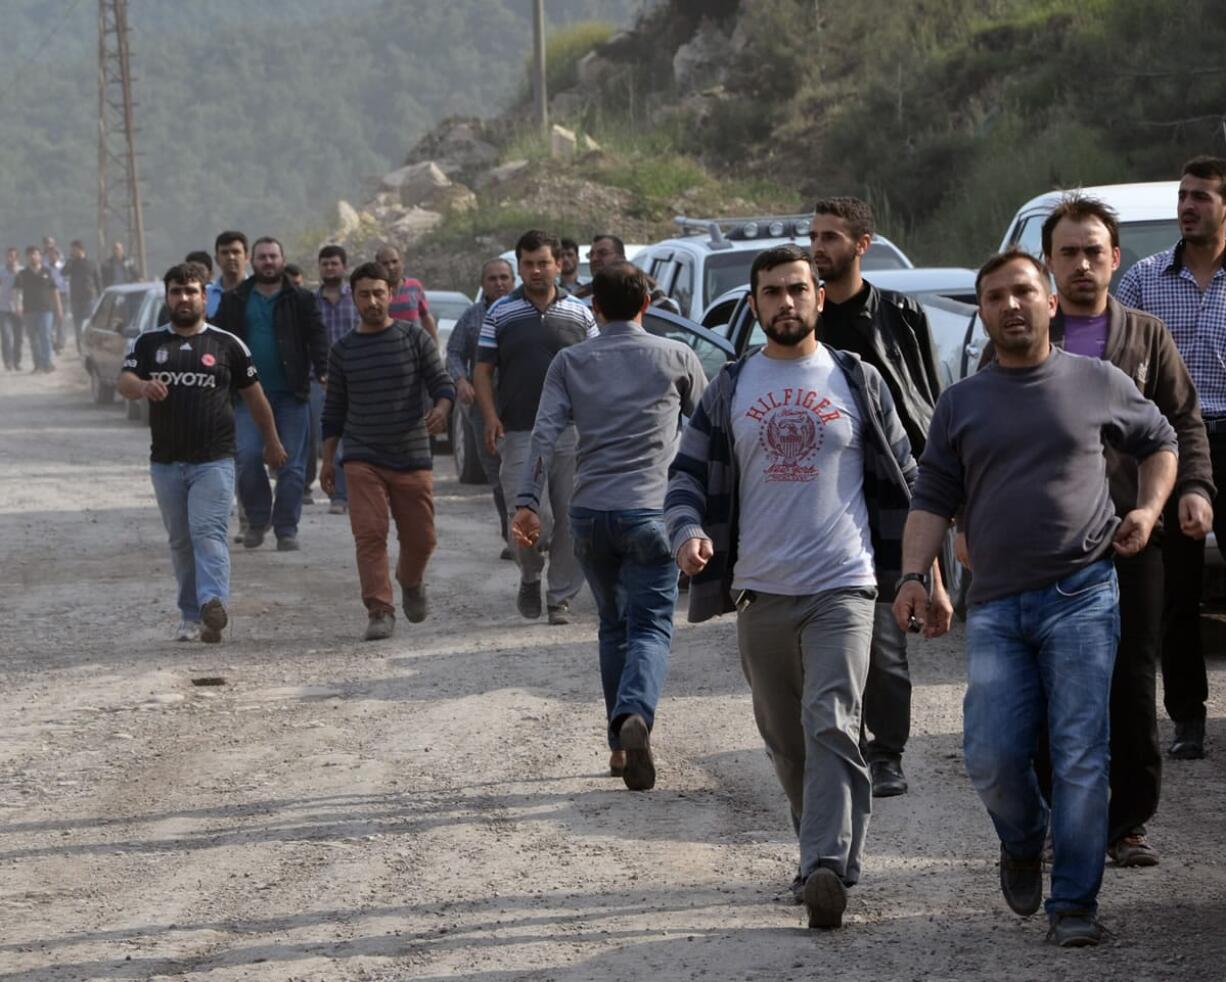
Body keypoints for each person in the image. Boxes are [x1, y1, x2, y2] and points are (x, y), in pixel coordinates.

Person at [895, 248, 1177, 947]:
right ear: (983, 313)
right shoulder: (962, 401)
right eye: (995, 297)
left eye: (1024, 291)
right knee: (990, 753)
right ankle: (1024, 840)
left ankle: (1075, 906)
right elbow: (932, 495)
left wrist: (1146, 510)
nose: (1011, 305)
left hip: (1082, 596)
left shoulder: (1097, 380)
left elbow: (1161, 439)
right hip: (996, 605)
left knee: (1081, 753)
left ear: (1050, 302)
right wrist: (910, 577)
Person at [666, 245, 946, 930]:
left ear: (819, 298)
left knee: (832, 722)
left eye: (797, 290)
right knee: (787, 742)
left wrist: (925, 575)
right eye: (771, 293)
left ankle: (824, 864)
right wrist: (686, 533)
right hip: (759, 591)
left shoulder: (856, 378)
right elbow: (685, 477)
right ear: (754, 305)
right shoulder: (730, 386)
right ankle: (821, 853)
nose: (786, 303)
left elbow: (911, 482)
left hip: (844, 586)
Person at [979, 195, 1213, 868]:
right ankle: (1060, 817)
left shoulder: (1145, 337)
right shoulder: (1013, 342)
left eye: (1094, 252)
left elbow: (1182, 424)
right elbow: (974, 444)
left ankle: (1128, 821)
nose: (1082, 264)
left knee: (1130, 680)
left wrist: (1191, 491)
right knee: (1053, 688)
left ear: (1116, 259)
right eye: (1068, 253)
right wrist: (968, 525)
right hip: (1045, 548)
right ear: (1049, 265)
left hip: (1132, 540)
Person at [511, 262, 707, 790]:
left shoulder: (570, 361)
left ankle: (620, 748)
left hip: (591, 515)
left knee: (612, 626)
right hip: (653, 513)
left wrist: (527, 502)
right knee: (650, 626)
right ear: (647, 303)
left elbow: (543, 435)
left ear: (593, 308)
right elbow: (712, 433)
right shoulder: (677, 357)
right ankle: (635, 715)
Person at [807, 196, 944, 798]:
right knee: (825, 632)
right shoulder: (799, 312)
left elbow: (929, 401)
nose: (819, 247)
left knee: (887, 632)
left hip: (890, 491)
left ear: (863, 244)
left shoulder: (902, 313)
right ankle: (834, 742)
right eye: (813, 236)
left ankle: (885, 753)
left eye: (831, 236)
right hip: (818, 495)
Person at [1117, 155, 1226, 761]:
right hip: (1174, 441)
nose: (1187, 206)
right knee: (1177, 590)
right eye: (1183, 196)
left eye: (1202, 197)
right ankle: (1187, 717)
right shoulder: (1145, 279)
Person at [117, 263, 287, 642]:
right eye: (176, 291)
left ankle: (213, 604)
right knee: (180, 540)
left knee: (208, 532)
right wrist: (144, 386)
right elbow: (124, 381)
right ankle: (190, 615)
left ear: (204, 296)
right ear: (167, 296)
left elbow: (256, 400)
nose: (183, 298)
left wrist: (272, 441)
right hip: (165, 463)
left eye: (191, 291)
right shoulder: (149, 344)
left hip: (214, 460)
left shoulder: (228, 345)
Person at [320, 261, 454, 641]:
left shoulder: (414, 339)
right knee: (370, 534)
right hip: (362, 456)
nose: (373, 301)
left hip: (411, 454)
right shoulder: (343, 350)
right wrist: (329, 460)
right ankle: (379, 610)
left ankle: (410, 580)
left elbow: (442, 385)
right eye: (365, 294)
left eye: (379, 293)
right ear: (354, 298)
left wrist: (441, 411)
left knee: (423, 538)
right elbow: (333, 411)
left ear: (391, 295)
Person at [474, 230, 597, 624]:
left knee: (570, 517)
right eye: (528, 264)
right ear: (519, 267)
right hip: (520, 431)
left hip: (572, 432)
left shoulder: (580, 312)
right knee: (526, 515)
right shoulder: (501, 314)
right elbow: (482, 370)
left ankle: (559, 597)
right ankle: (530, 574)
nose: (536, 271)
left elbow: (599, 366)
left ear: (558, 264)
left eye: (543, 263)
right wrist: (491, 417)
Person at [213, 236, 328, 551]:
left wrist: (324, 369)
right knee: (248, 458)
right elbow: (219, 341)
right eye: (262, 257)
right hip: (247, 397)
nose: (267, 262)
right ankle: (258, 519)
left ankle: (286, 529)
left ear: (282, 259)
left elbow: (318, 336)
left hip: (291, 395)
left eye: (273, 257)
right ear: (253, 261)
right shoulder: (235, 299)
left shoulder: (301, 299)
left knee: (291, 465)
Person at [445, 256, 516, 556]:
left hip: (522, 404)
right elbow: (454, 354)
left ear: (513, 281)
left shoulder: (525, 313)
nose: (499, 283)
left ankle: (536, 531)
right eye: (492, 278)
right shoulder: (472, 318)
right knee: (498, 474)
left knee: (529, 470)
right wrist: (461, 381)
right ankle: (512, 537)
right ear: (482, 284)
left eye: (504, 277)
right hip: (482, 408)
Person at [310, 244, 358, 514]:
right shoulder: (310, 303)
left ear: (344, 267)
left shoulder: (356, 299)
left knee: (352, 437)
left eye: (334, 263)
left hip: (353, 379)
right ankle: (337, 494)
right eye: (325, 264)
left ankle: (348, 495)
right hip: (319, 381)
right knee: (329, 437)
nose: (330, 268)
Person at [376, 244, 438, 343]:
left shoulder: (414, 286)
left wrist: (435, 348)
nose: (391, 267)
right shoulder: (375, 292)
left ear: (402, 262)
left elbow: (426, 318)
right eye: (385, 263)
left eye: (394, 261)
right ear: (378, 266)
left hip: (414, 351)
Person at [14, 246, 62, 373]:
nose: (32, 257)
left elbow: (54, 290)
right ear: (27, 257)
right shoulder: (22, 274)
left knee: (45, 335)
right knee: (33, 339)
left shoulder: (47, 271)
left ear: (40, 256)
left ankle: (47, 363)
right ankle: (38, 364)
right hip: (29, 311)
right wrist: (18, 306)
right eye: (30, 255)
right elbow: (17, 292)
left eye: (35, 254)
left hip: (46, 309)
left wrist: (59, 307)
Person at [62, 241, 102, 354]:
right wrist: (69, 261)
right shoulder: (72, 264)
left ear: (81, 250)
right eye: (71, 250)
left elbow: (98, 281)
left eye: (74, 250)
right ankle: (81, 351)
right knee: (78, 327)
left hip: (89, 299)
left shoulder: (91, 263)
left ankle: (91, 349)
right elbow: (63, 273)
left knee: (89, 326)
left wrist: (100, 297)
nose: (72, 252)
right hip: (75, 300)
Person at [209, 231, 248, 318]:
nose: (231, 257)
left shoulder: (257, 294)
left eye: (236, 252)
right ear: (217, 259)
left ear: (247, 258)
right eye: (224, 253)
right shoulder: (204, 296)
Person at [1, 247, 23, 371]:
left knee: (18, 337)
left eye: (13, 256)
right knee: (6, 336)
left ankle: (17, 361)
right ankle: (8, 361)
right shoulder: (1, 271)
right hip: (3, 308)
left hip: (19, 308)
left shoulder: (22, 271)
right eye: (9, 256)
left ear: (17, 258)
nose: (11, 258)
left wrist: (16, 273)